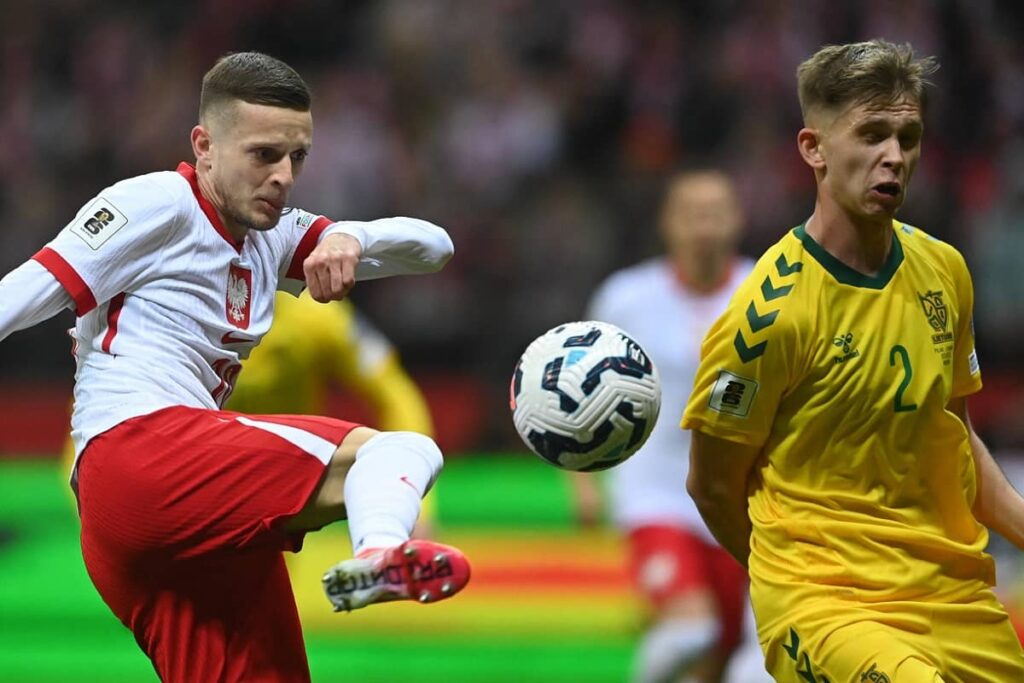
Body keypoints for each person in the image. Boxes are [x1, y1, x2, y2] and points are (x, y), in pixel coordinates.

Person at [0, 52, 470, 682]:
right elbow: (22, 293)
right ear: (205, 146)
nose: (282, 176)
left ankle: (379, 558)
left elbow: (436, 248)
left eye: (297, 157)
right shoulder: (157, 202)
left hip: (166, 515)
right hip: (140, 452)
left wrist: (351, 237)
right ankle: (381, 554)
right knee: (401, 451)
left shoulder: (273, 235)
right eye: (263, 154)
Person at [682, 39, 1024, 682]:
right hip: (829, 608)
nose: (894, 155)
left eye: (907, 137)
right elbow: (712, 484)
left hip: (953, 599)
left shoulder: (944, 271)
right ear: (814, 149)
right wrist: (790, 588)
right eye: (871, 135)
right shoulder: (767, 315)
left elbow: (954, 439)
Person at [579, 170, 770, 683]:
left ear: (737, 220)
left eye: (715, 213)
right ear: (667, 223)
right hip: (655, 494)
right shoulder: (625, 298)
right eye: (691, 214)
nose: (703, 227)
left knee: (731, 661)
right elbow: (578, 393)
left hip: (740, 499)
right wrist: (582, 479)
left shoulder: (766, 293)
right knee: (690, 633)